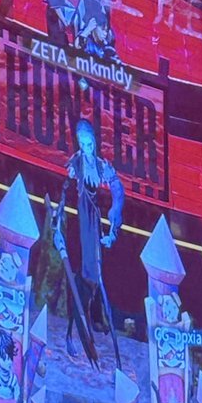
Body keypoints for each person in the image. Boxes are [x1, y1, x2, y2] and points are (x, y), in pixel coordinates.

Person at [53, 118, 124, 365]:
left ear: (94, 141)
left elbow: (118, 190)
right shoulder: (76, 164)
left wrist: (115, 217)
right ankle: (73, 333)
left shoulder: (102, 166)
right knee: (82, 279)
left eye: (89, 143)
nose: (86, 148)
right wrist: (57, 221)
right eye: (82, 144)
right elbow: (64, 192)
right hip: (80, 225)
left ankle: (92, 322)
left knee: (94, 279)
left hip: (94, 225)